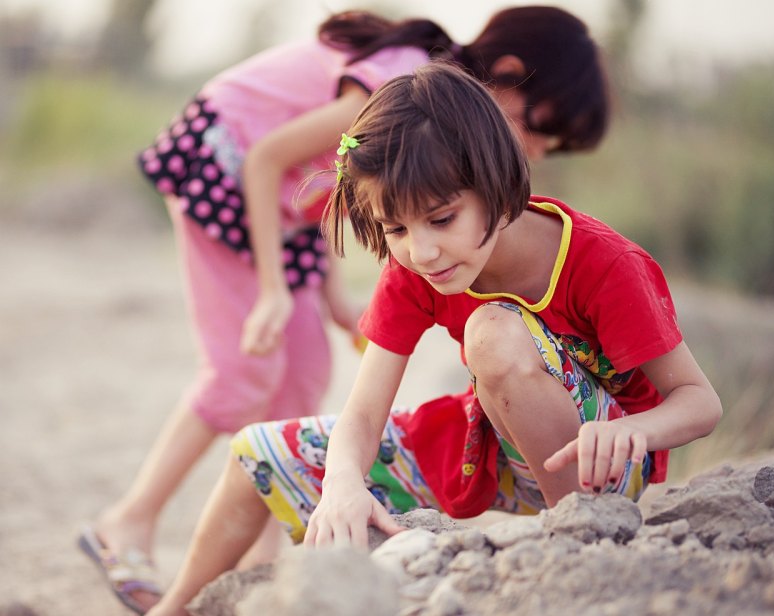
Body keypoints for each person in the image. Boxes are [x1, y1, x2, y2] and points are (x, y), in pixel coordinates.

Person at [80, 6, 612, 614]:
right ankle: (127, 521)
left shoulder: (440, 118)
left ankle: (258, 561)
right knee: (244, 371)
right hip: (227, 176)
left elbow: (337, 191)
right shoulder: (406, 90)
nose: (538, 150)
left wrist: (333, 301)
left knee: (305, 372)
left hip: (289, 217)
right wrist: (276, 292)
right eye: (541, 128)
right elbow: (269, 161)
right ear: (513, 73)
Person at [144, 61, 722, 615]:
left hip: (600, 461)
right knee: (255, 457)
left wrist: (629, 432)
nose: (422, 251)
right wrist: (342, 483)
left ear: (495, 184)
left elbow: (699, 402)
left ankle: (573, 542)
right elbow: (363, 418)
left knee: (490, 329)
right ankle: (171, 610)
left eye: (442, 219)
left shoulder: (603, 263)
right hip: (486, 446)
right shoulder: (418, 270)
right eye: (396, 228)